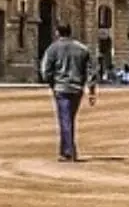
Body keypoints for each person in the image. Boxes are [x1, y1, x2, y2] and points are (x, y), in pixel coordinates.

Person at [39, 24, 98, 161]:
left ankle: (68, 151)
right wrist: (91, 90)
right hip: (77, 88)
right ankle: (67, 149)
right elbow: (91, 71)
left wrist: (51, 83)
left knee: (65, 119)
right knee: (69, 118)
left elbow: (45, 70)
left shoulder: (53, 48)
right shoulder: (82, 49)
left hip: (61, 88)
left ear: (57, 32)